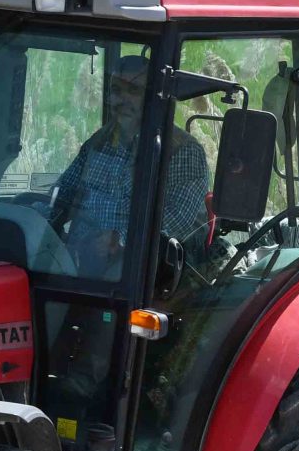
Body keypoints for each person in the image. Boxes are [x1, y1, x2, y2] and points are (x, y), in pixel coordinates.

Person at [45, 52, 209, 282]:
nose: (122, 100)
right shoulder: (100, 142)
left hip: (150, 268)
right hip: (84, 255)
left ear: (152, 97)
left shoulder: (180, 150)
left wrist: (118, 239)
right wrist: (40, 215)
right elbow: (63, 192)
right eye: (116, 90)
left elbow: (177, 220)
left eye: (133, 91)